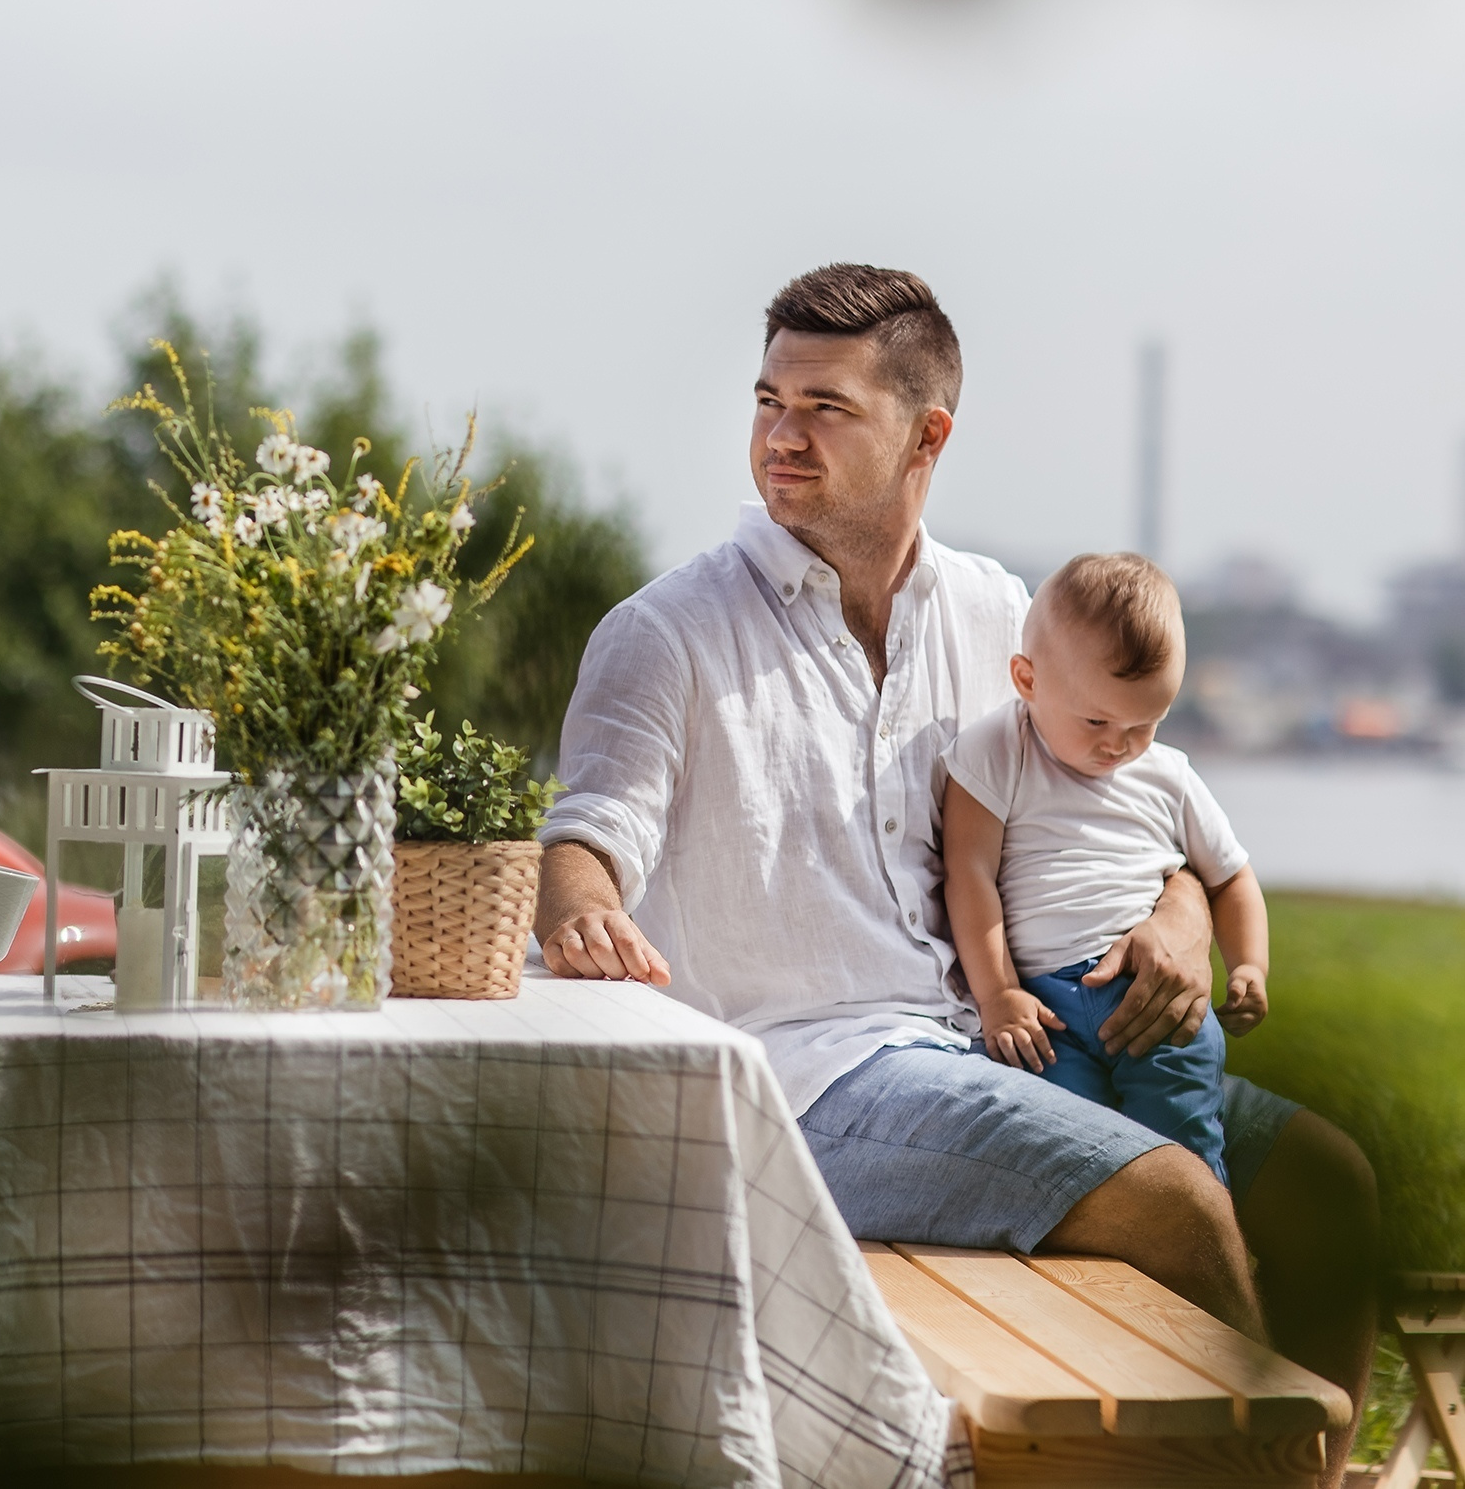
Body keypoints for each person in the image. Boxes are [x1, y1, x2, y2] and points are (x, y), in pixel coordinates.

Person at [533, 262, 1376, 1483]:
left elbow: (1133, 797)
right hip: (807, 1082)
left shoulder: (1000, 617)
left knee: (1326, 1184)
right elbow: (588, 832)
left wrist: (1184, 911)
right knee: (1176, 1198)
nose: (780, 435)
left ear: (927, 433)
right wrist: (581, 901)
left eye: (826, 408)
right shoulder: (667, 630)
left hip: (998, 1043)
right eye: (769, 398)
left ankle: (1313, 1467)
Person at [941, 552, 1269, 1187]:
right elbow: (970, 876)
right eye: (1096, 720)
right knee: (1066, 1156)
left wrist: (1250, 963)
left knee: (1181, 1149)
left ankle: (1187, 1259)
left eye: (1145, 724)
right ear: (1027, 679)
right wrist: (998, 993)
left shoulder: (1168, 776)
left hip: (1154, 998)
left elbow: (1232, 877)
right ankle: (1087, 1276)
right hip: (1046, 1011)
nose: (1118, 744)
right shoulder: (996, 751)